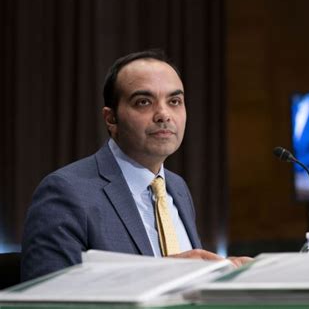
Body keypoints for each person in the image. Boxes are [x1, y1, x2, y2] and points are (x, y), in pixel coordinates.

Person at [21, 49, 251, 282]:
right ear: (111, 119)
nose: (163, 114)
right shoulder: (66, 192)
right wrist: (158, 275)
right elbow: (48, 298)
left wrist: (225, 275)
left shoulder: (177, 187)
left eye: (174, 101)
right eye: (143, 102)